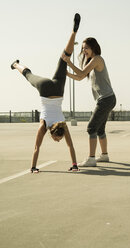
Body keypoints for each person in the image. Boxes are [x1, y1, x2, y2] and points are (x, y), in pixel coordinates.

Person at [11, 13, 81, 173]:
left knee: (64, 58)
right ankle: (15, 64)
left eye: (58, 139)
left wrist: (75, 165)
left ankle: (74, 32)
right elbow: (37, 147)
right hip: (44, 89)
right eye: (58, 139)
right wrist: (33, 167)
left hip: (57, 88)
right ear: (52, 132)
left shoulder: (62, 124)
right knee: (28, 75)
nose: (58, 141)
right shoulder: (44, 125)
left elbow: (70, 145)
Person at [63, 37, 116, 167]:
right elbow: (80, 77)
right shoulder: (94, 61)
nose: (84, 50)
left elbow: (81, 73)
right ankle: (104, 155)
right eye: (82, 48)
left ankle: (91, 159)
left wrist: (68, 62)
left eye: (86, 48)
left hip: (105, 99)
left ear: (93, 47)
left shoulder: (97, 59)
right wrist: (67, 74)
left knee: (91, 127)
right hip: (108, 99)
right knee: (100, 129)